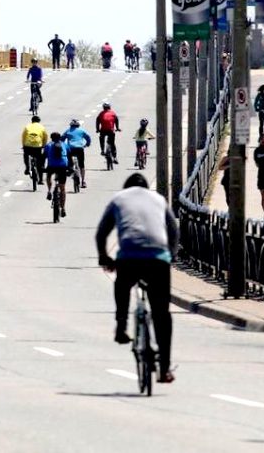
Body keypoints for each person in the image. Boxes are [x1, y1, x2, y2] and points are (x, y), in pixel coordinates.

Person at [96, 173, 179, 384]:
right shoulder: (159, 199)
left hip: (130, 256)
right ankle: (165, 369)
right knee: (162, 314)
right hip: (158, 259)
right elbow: (173, 229)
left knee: (122, 285)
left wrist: (104, 257)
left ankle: (122, 325)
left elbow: (101, 233)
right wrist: (171, 254)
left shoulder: (119, 199)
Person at [43, 132, 70, 216]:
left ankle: (49, 190)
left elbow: (43, 157)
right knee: (62, 188)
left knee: (48, 176)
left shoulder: (48, 145)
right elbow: (69, 155)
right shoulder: (64, 145)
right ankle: (63, 208)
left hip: (51, 166)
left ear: (51, 138)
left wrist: (42, 167)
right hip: (62, 166)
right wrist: (70, 167)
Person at [63, 119, 92, 189]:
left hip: (70, 148)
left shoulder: (68, 131)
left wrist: (63, 146)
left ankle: (70, 169)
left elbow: (62, 139)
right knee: (82, 165)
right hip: (80, 148)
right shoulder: (82, 130)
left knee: (68, 160)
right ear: (78, 125)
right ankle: (83, 181)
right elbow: (88, 138)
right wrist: (87, 144)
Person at [21, 114, 48, 184]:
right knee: (40, 163)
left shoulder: (27, 126)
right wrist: (44, 145)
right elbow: (45, 137)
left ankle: (27, 168)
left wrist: (23, 145)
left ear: (32, 121)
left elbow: (23, 136)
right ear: (39, 121)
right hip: (37, 146)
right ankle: (41, 180)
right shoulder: (42, 127)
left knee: (26, 155)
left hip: (28, 145)